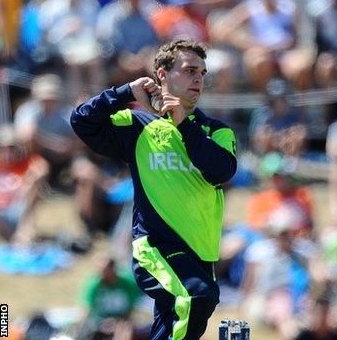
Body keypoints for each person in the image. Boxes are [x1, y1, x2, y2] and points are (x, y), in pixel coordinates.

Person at [70, 39, 237, 340]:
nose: (198, 78)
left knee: (178, 317)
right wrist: (124, 93)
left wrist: (185, 125)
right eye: (188, 70)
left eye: (202, 72)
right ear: (163, 75)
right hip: (155, 247)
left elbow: (222, 171)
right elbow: (82, 121)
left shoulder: (216, 130)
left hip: (200, 252)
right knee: (196, 298)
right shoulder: (139, 126)